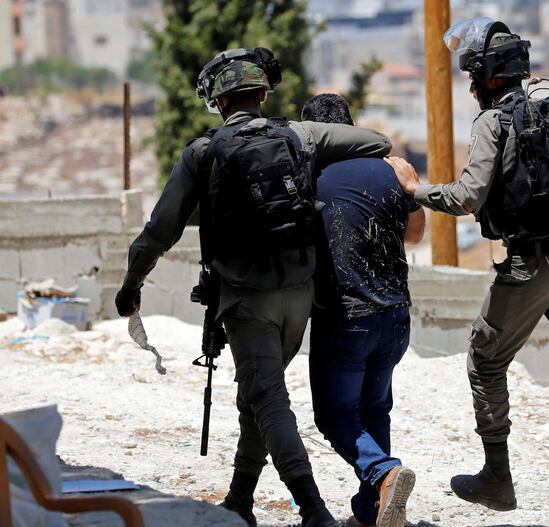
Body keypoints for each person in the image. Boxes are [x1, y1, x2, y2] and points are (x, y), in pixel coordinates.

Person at [114, 48, 393, 527]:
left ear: (218, 102)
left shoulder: (203, 153)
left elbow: (160, 231)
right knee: (259, 397)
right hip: (300, 295)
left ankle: (313, 509)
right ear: (263, 94)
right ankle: (240, 501)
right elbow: (376, 141)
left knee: (267, 399)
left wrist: (131, 282)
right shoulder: (299, 135)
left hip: (247, 298)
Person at [386, 18, 549, 527]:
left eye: (473, 76)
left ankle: (497, 479)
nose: (471, 86)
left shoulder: (493, 122)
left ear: (485, 77)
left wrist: (414, 193)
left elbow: (467, 197)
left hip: (531, 264)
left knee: (484, 360)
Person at [300, 93, 424, 527]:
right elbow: (414, 235)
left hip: (346, 317)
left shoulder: (311, 176)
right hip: (395, 316)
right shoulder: (390, 168)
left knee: (334, 415)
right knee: (375, 411)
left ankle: (384, 472)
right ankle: (371, 513)